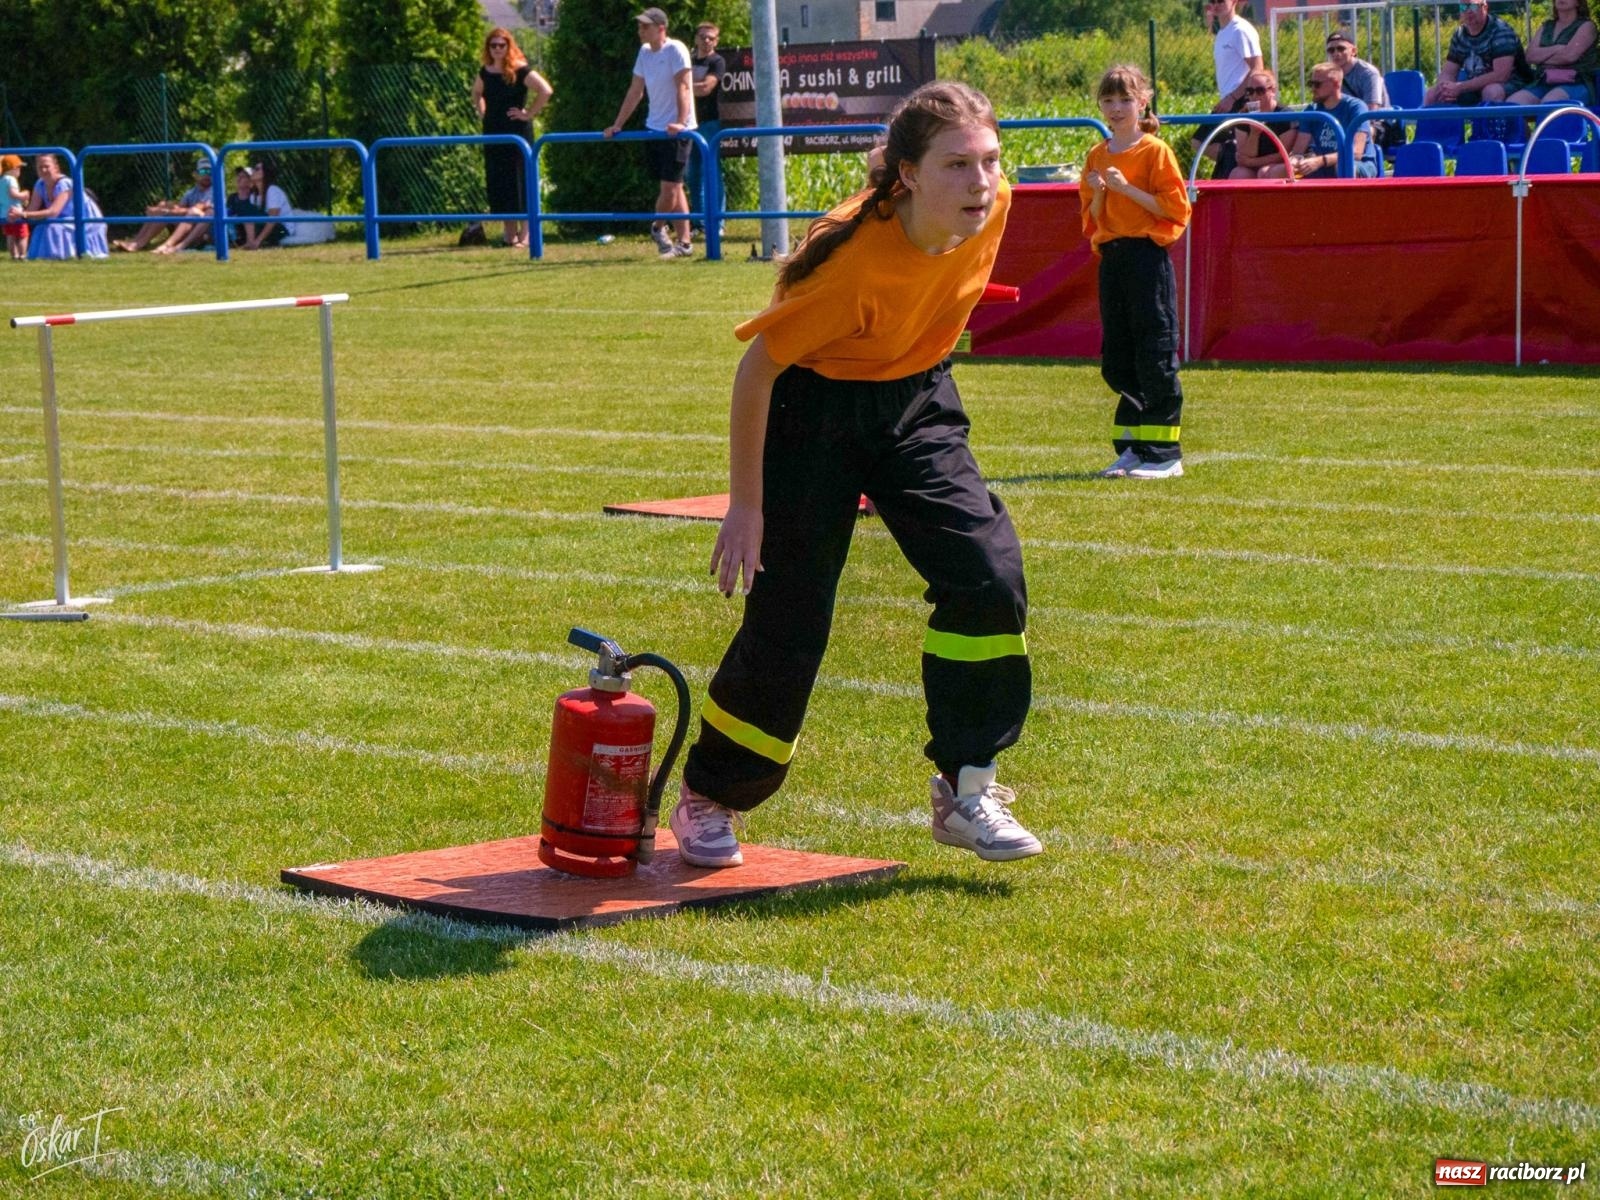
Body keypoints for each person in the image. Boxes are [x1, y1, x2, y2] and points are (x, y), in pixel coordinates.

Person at [671, 81, 1043, 870]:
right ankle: (711, 796)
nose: (980, 182)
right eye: (958, 166)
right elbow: (757, 373)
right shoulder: (849, 267)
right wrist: (746, 507)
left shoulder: (997, 204)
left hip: (918, 396)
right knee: (794, 614)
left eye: (989, 161)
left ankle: (967, 785)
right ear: (906, 175)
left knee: (988, 572)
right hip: (818, 410)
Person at [1081, 64, 1192, 480]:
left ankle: (1165, 453)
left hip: (1147, 255)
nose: (1115, 108)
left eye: (1125, 99)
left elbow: (1175, 209)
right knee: (1118, 357)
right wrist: (1100, 192)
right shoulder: (1097, 154)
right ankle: (1132, 448)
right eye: (1108, 100)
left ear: (1142, 101)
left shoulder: (1155, 151)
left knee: (1155, 353)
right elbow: (1092, 218)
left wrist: (1126, 188)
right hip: (1113, 257)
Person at [604, 7, 697, 259]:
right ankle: (685, 243)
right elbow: (636, 91)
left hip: (677, 132)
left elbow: (684, 87)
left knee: (669, 188)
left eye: (646, 26)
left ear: (661, 28)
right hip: (654, 128)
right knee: (674, 188)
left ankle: (656, 227)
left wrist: (680, 122)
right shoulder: (644, 53)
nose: (640, 30)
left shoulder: (676, 49)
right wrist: (618, 124)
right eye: (640, 26)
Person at [471, 27, 553, 248]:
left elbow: (545, 90)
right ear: (488, 48)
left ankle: (525, 236)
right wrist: (482, 111)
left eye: (501, 45)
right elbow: (476, 93)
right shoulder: (485, 71)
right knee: (501, 182)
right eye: (493, 45)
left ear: (509, 46)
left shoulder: (520, 70)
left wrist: (528, 113)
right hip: (493, 132)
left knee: (520, 181)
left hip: (517, 134)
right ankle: (509, 235)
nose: (497, 49)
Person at [1265, 62, 1379, 179]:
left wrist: (1320, 161)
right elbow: (1298, 150)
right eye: (1311, 84)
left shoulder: (1356, 107)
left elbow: (1356, 152)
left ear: (1336, 84)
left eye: (1317, 84)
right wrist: (1294, 161)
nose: (1312, 89)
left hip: (1359, 165)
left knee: (1343, 166)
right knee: (1268, 172)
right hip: (1322, 164)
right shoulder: (1312, 110)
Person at [1196, 0, 1264, 176]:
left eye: (1221, 1)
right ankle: (1230, 162)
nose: (1216, 4)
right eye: (1213, 1)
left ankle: (1231, 166)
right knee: (1200, 142)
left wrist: (1234, 98)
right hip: (1228, 98)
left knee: (1201, 141)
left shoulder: (1240, 29)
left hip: (1240, 98)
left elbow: (1257, 69)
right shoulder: (1223, 32)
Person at [1425, 0, 1528, 106]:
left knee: (1491, 92)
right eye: (1464, 7)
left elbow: (1501, 75)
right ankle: (1441, 122)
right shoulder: (1460, 35)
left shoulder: (1500, 31)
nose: (1469, 11)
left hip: (1512, 85)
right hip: (1472, 87)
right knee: (1433, 94)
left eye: (1473, 6)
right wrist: (1445, 87)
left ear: (1485, 7)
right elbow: (1448, 72)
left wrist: (1460, 87)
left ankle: (1490, 123)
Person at [1507, 0, 1597, 107]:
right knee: (1513, 103)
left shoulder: (1587, 26)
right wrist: (1557, 48)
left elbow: (1568, 56)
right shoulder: (1546, 26)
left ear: (1578, 3)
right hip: (1544, 81)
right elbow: (1530, 56)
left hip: (1575, 83)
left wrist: (1542, 58)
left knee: (1550, 103)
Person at [113, 159, 214, 252]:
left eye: (210, 172)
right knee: (163, 206)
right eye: (203, 172)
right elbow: (180, 208)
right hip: (188, 225)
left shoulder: (214, 190)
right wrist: (162, 208)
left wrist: (166, 212)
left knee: (171, 213)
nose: (207, 175)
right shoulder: (192, 192)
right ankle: (136, 241)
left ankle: (140, 244)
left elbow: (197, 208)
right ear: (196, 174)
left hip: (203, 231)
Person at [20, 154, 108, 260]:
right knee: (41, 227)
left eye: (46, 166)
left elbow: (53, 212)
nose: (43, 170)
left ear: (56, 167)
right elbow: (31, 211)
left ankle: (63, 255)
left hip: (85, 218)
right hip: (63, 218)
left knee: (54, 227)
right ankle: (41, 257)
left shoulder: (65, 184)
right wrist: (17, 213)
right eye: (40, 167)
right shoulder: (40, 184)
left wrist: (24, 214)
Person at [156, 166, 259, 254]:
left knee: (209, 213)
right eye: (238, 175)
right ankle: (168, 245)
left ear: (251, 181)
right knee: (195, 214)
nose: (239, 178)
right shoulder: (232, 197)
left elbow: (250, 218)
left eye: (244, 176)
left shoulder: (253, 198)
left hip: (234, 236)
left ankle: (180, 246)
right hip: (217, 231)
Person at [1324, 30, 1396, 150]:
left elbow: (1371, 111)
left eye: (1341, 49)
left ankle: (1358, 165)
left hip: (1376, 123)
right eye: (1331, 50)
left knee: (1359, 134)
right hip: (1342, 122)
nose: (1336, 53)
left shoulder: (1368, 73)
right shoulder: (1327, 74)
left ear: (1354, 51)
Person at [685, 22, 725, 233]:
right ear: (696, 39)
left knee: (713, 172)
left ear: (716, 41)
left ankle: (718, 223)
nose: (706, 41)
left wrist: (682, 87)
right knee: (692, 174)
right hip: (688, 123)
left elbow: (706, 88)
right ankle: (699, 223)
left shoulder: (717, 62)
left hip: (710, 124)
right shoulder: (688, 60)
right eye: (702, 37)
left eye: (711, 37)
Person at [1227, 69, 1298, 177]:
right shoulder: (1244, 115)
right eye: (1250, 91)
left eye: (1260, 90)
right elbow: (1243, 157)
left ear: (1272, 91)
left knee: (1264, 172)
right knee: (1238, 174)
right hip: (1253, 166)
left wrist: (1251, 162)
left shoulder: (1284, 115)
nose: (1254, 96)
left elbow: (1283, 155)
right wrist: (1254, 134)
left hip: (1278, 165)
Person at [240, 159, 291, 250]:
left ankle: (251, 243)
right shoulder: (254, 196)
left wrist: (258, 241)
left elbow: (273, 219)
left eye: (257, 169)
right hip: (269, 227)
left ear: (265, 173)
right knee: (242, 209)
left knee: (246, 208)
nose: (253, 171)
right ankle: (249, 242)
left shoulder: (272, 190)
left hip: (283, 230)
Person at [2, 155, 28, 260]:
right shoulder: (11, 179)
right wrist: (24, 195)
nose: (20, 171)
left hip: (4, 214)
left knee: (10, 235)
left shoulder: (1, 179)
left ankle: (14, 255)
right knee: (23, 235)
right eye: (19, 168)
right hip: (15, 213)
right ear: (14, 168)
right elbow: (13, 194)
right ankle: (22, 255)